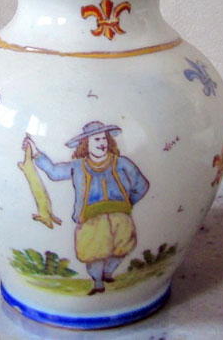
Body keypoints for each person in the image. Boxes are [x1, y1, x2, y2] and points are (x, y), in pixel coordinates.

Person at [22, 121, 149, 295]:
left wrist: (127, 204)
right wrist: (36, 153)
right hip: (91, 219)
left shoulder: (122, 163)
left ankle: (109, 272)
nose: (102, 143)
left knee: (122, 249)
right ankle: (97, 282)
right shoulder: (78, 167)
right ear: (85, 144)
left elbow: (142, 185)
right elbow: (54, 172)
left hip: (120, 216)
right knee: (93, 254)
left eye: (104, 138)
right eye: (96, 139)